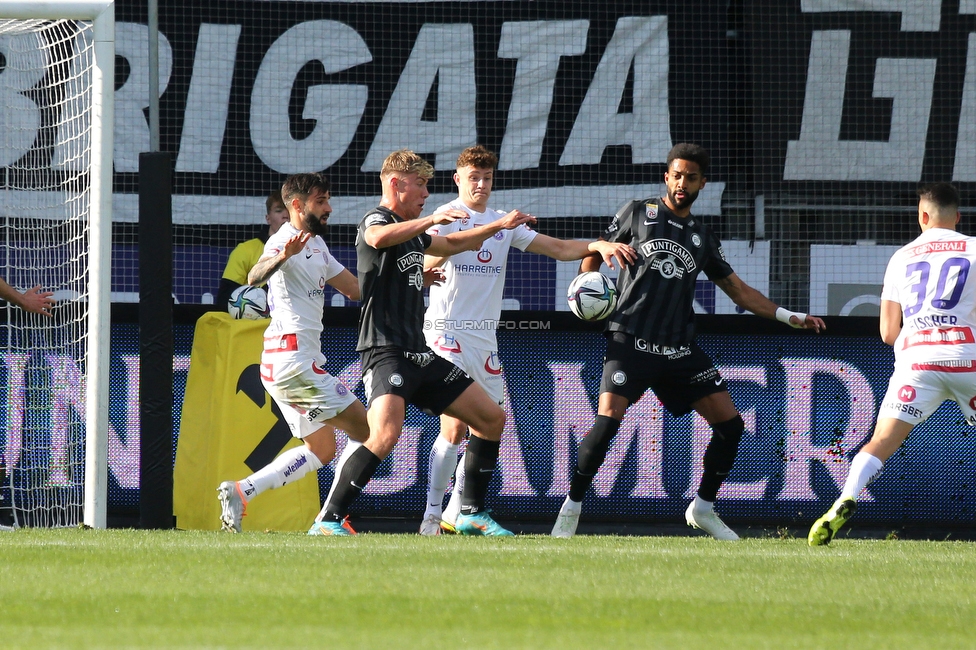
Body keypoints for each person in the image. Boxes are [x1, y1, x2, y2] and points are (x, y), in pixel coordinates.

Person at [550, 143, 826, 540]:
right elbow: (594, 251)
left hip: (679, 348)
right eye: (676, 175)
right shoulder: (637, 212)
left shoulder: (702, 236)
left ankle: (704, 508)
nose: (682, 183)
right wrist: (585, 283)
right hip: (631, 340)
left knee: (731, 427)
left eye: (691, 177)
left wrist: (789, 316)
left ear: (702, 183)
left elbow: (740, 292)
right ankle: (571, 508)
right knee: (607, 423)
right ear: (666, 177)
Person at [417, 145, 637, 536]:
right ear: (458, 179)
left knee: (488, 424)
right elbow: (425, 264)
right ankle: (431, 518)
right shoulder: (446, 217)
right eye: (473, 178)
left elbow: (555, 248)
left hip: (484, 339)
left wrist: (597, 246)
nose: (480, 185)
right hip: (446, 331)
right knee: (453, 427)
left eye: (486, 178)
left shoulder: (505, 222)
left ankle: (457, 511)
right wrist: (472, 234)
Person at [313, 149, 534, 536]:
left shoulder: (414, 232)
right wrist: (432, 220)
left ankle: (468, 512)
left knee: (490, 419)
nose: (426, 193)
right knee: (383, 434)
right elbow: (377, 238)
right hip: (385, 351)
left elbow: (449, 247)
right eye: (420, 184)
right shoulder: (378, 218)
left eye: (429, 186)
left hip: (419, 353)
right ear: (396, 184)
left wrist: (498, 226)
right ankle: (329, 520)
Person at [809, 182, 974, 546]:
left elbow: (887, 332)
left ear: (923, 216)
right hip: (968, 358)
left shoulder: (902, 256)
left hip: (916, 361)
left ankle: (845, 497)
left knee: (882, 439)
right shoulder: (975, 249)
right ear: (958, 218)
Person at [216, 173, 370, 534]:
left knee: (321, 447)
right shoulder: (282, 240)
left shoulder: (316, 245)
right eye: (321, 201)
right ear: (297, 206)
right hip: (294, 363)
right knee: (371, 431)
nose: (329, 208)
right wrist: (281, 257)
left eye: (328, 200)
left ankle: (241, 491)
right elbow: (254, 276)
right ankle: (330, 518)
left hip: (284, 364)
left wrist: (412, 279)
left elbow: (354, 289)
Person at [215, 190, 290, 307]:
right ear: (268, 218)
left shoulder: (308, 251)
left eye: (290, 210)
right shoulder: (245, 250)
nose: (285, 215)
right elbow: (225, 297)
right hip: (251, 322)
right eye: (279, 210)